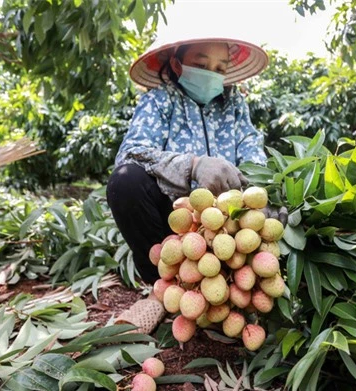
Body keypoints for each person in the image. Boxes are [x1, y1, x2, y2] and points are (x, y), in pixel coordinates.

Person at [107, 35, 284, 332]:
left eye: (219, 66)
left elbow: (255, 160)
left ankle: (228, 293)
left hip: (228, 225)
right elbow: (131, 153)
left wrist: (262, 198)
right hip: (174, 222)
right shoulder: (159, 100)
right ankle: (163, 287)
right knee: (125, 182)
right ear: (177, 64)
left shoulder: (235, 104)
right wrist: (193, 165)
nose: (212, 73)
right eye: (201, 64)